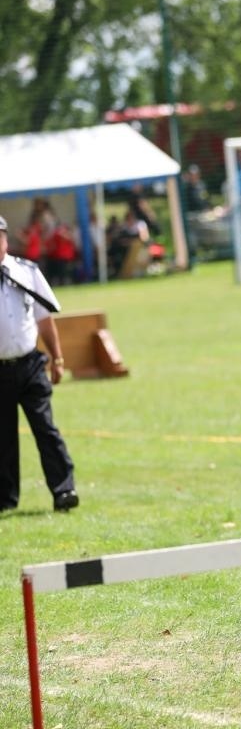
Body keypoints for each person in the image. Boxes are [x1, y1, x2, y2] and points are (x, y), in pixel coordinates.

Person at [0, 214, 79, 513]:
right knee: (2, 437)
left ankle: (64, 490)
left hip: (29, 364)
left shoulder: (27, 272)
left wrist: (57, 358)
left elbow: (45, 320)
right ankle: (5, 499)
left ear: (6, 239)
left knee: (45, 429)